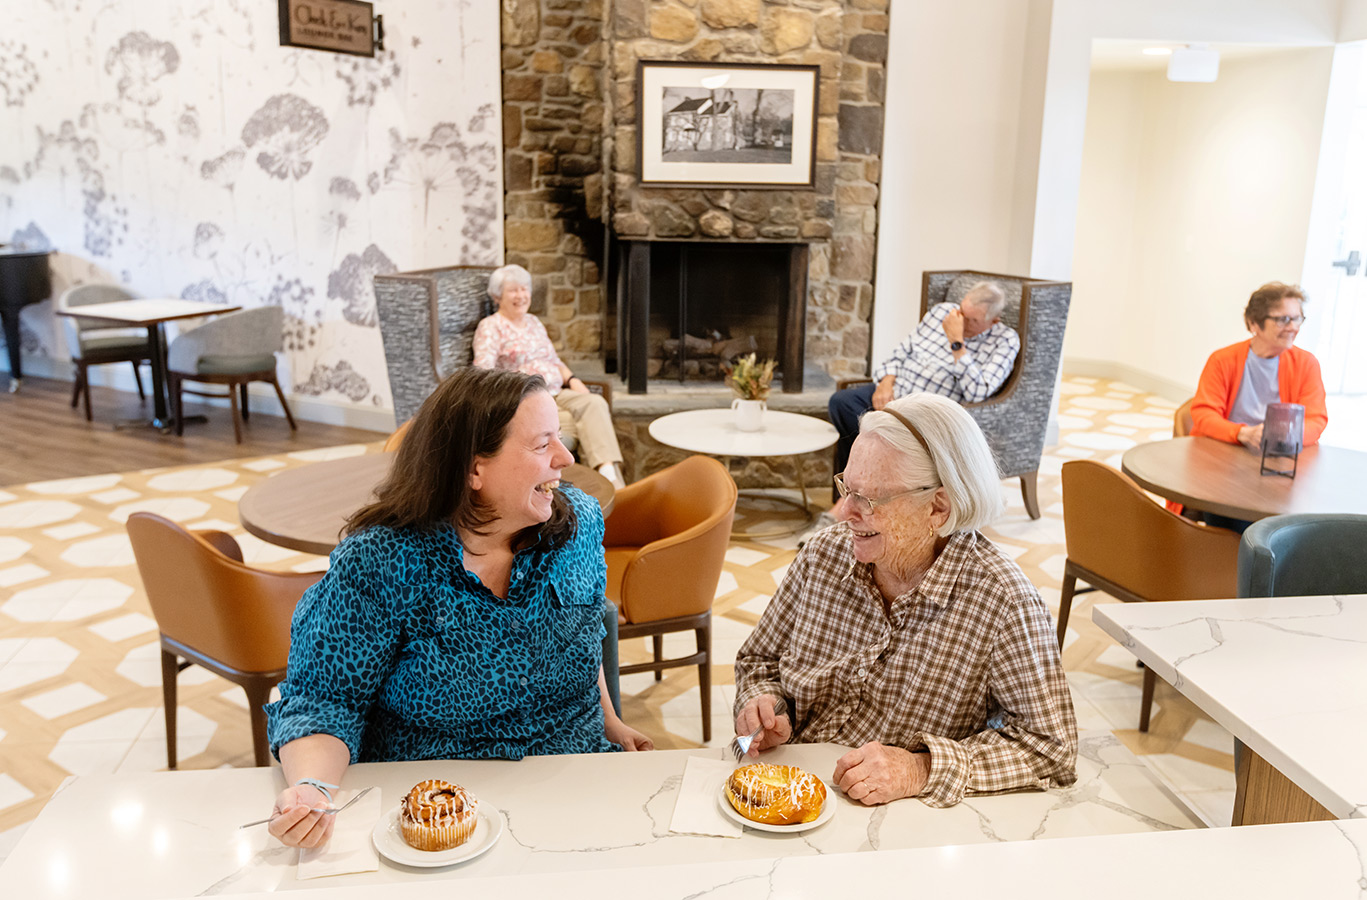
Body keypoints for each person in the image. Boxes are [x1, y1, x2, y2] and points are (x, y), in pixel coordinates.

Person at [262, 367, 652, 849]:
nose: (565, 457)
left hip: (571, 778)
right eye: (541, 443)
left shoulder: (579, 526)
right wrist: (313, 789)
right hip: (431, 809)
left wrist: (610, 722)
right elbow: (324, 700)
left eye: (562, 438)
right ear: (472, 468)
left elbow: (583, 631)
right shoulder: (382, 563)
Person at [734, 393, 1076, 808]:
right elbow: (758, 660)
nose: (845, 513)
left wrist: (920, 769)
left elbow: (1051, 748)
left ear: (938, 506)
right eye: (847, 488)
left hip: (902, 825)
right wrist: (767, 706)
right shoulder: (822, 555)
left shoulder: (1003, 602)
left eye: (869, 500)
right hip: (789, 791)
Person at [827, 281, 1019, 484]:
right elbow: (902, 351)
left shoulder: (1005, 341)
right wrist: (885, 382)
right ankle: (855, 482)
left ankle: (872, 483)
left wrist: (956, 342)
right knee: (841, 403)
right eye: (962, 313)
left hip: (925, 413)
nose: (961, 322)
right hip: (895, 393)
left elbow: (978, 392)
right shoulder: (941, 312)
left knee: (883, 434)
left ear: (994, 321)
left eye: (972, 320)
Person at [474, 264, 626, 489]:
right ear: (498, 296)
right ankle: (613, 488)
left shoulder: (534, 322)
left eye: (525, 289)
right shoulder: (490, 327)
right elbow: (484, 372)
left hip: (557, 392)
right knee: (589, 426)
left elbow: (554, 361)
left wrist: (573, 379)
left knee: (594, 403)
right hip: (528, 400)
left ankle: (607, 474)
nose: (521, 295)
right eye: (513, 290)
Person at [1189, 281, 1327, 453]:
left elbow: (1315, 419)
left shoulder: (1307, 363)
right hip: (1225, 446)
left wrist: (1282, 436)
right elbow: (1204, 413)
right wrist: (1242, 433)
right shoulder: (1222, 360)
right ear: (1254, 323)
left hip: (1278, 452)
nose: (1293, 327)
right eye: (1283, 320)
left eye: (1297, 319)